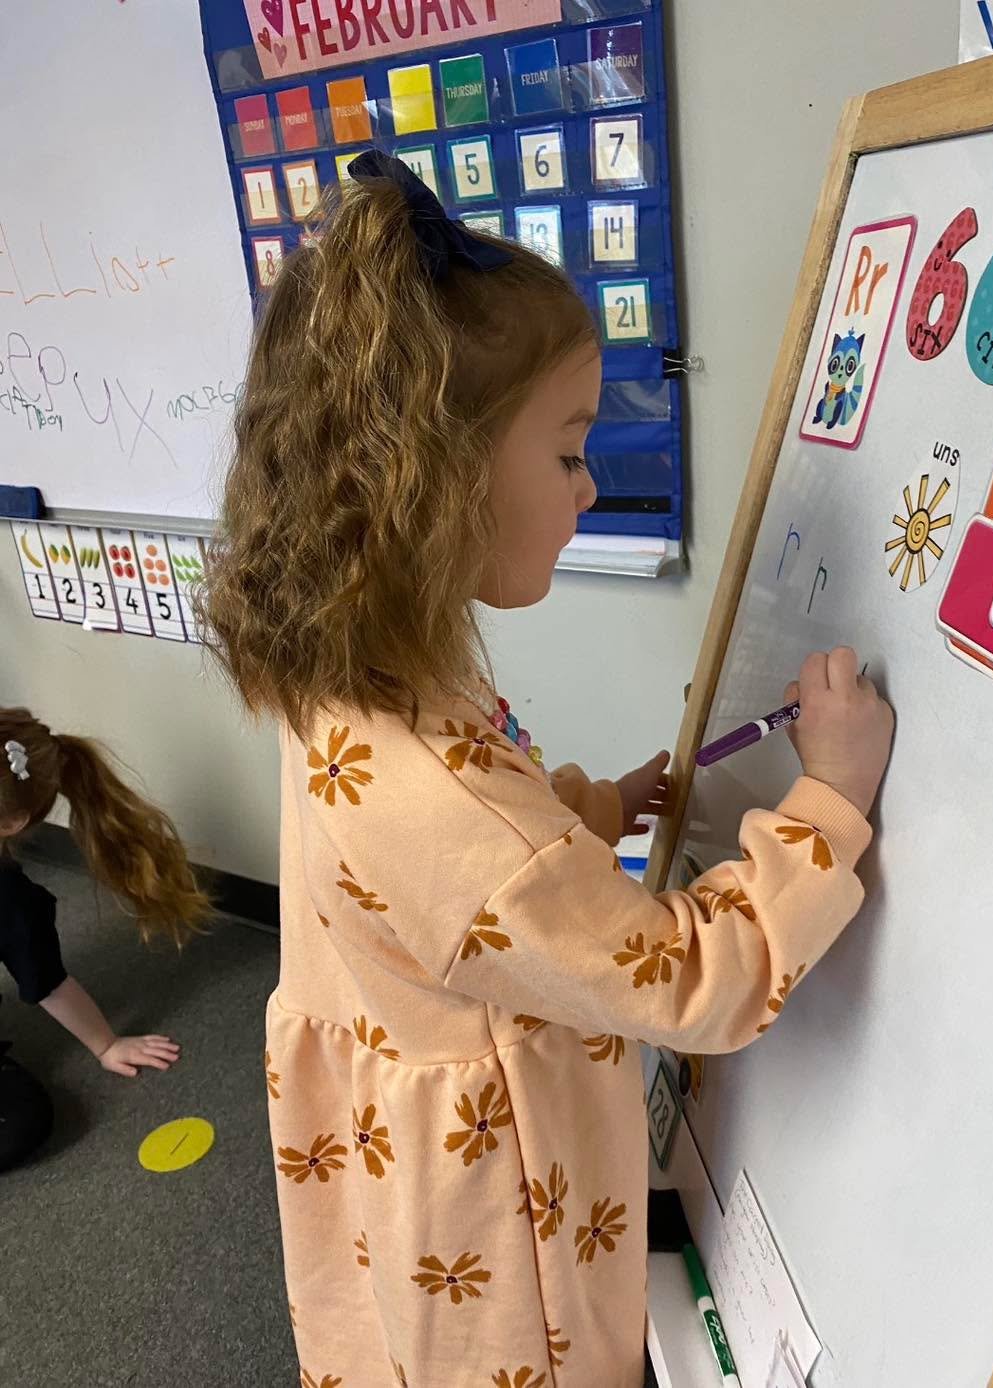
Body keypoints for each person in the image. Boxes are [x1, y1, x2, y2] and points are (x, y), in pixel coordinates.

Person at [201, 149, 894, 1388]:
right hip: (504, 1261)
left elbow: (453, 900)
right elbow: (692, 978)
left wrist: (585, 810)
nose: (589, 487)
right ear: (438, 478)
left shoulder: (351, 679)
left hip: (397, 1182)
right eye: (569, 450)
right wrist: (830, 799)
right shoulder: (447, 798)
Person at [0, 709, 208, 1168]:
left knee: (23, 1125)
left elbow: (48, 983)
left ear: (12, 823)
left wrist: (106, 1044)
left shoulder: (12, 906)